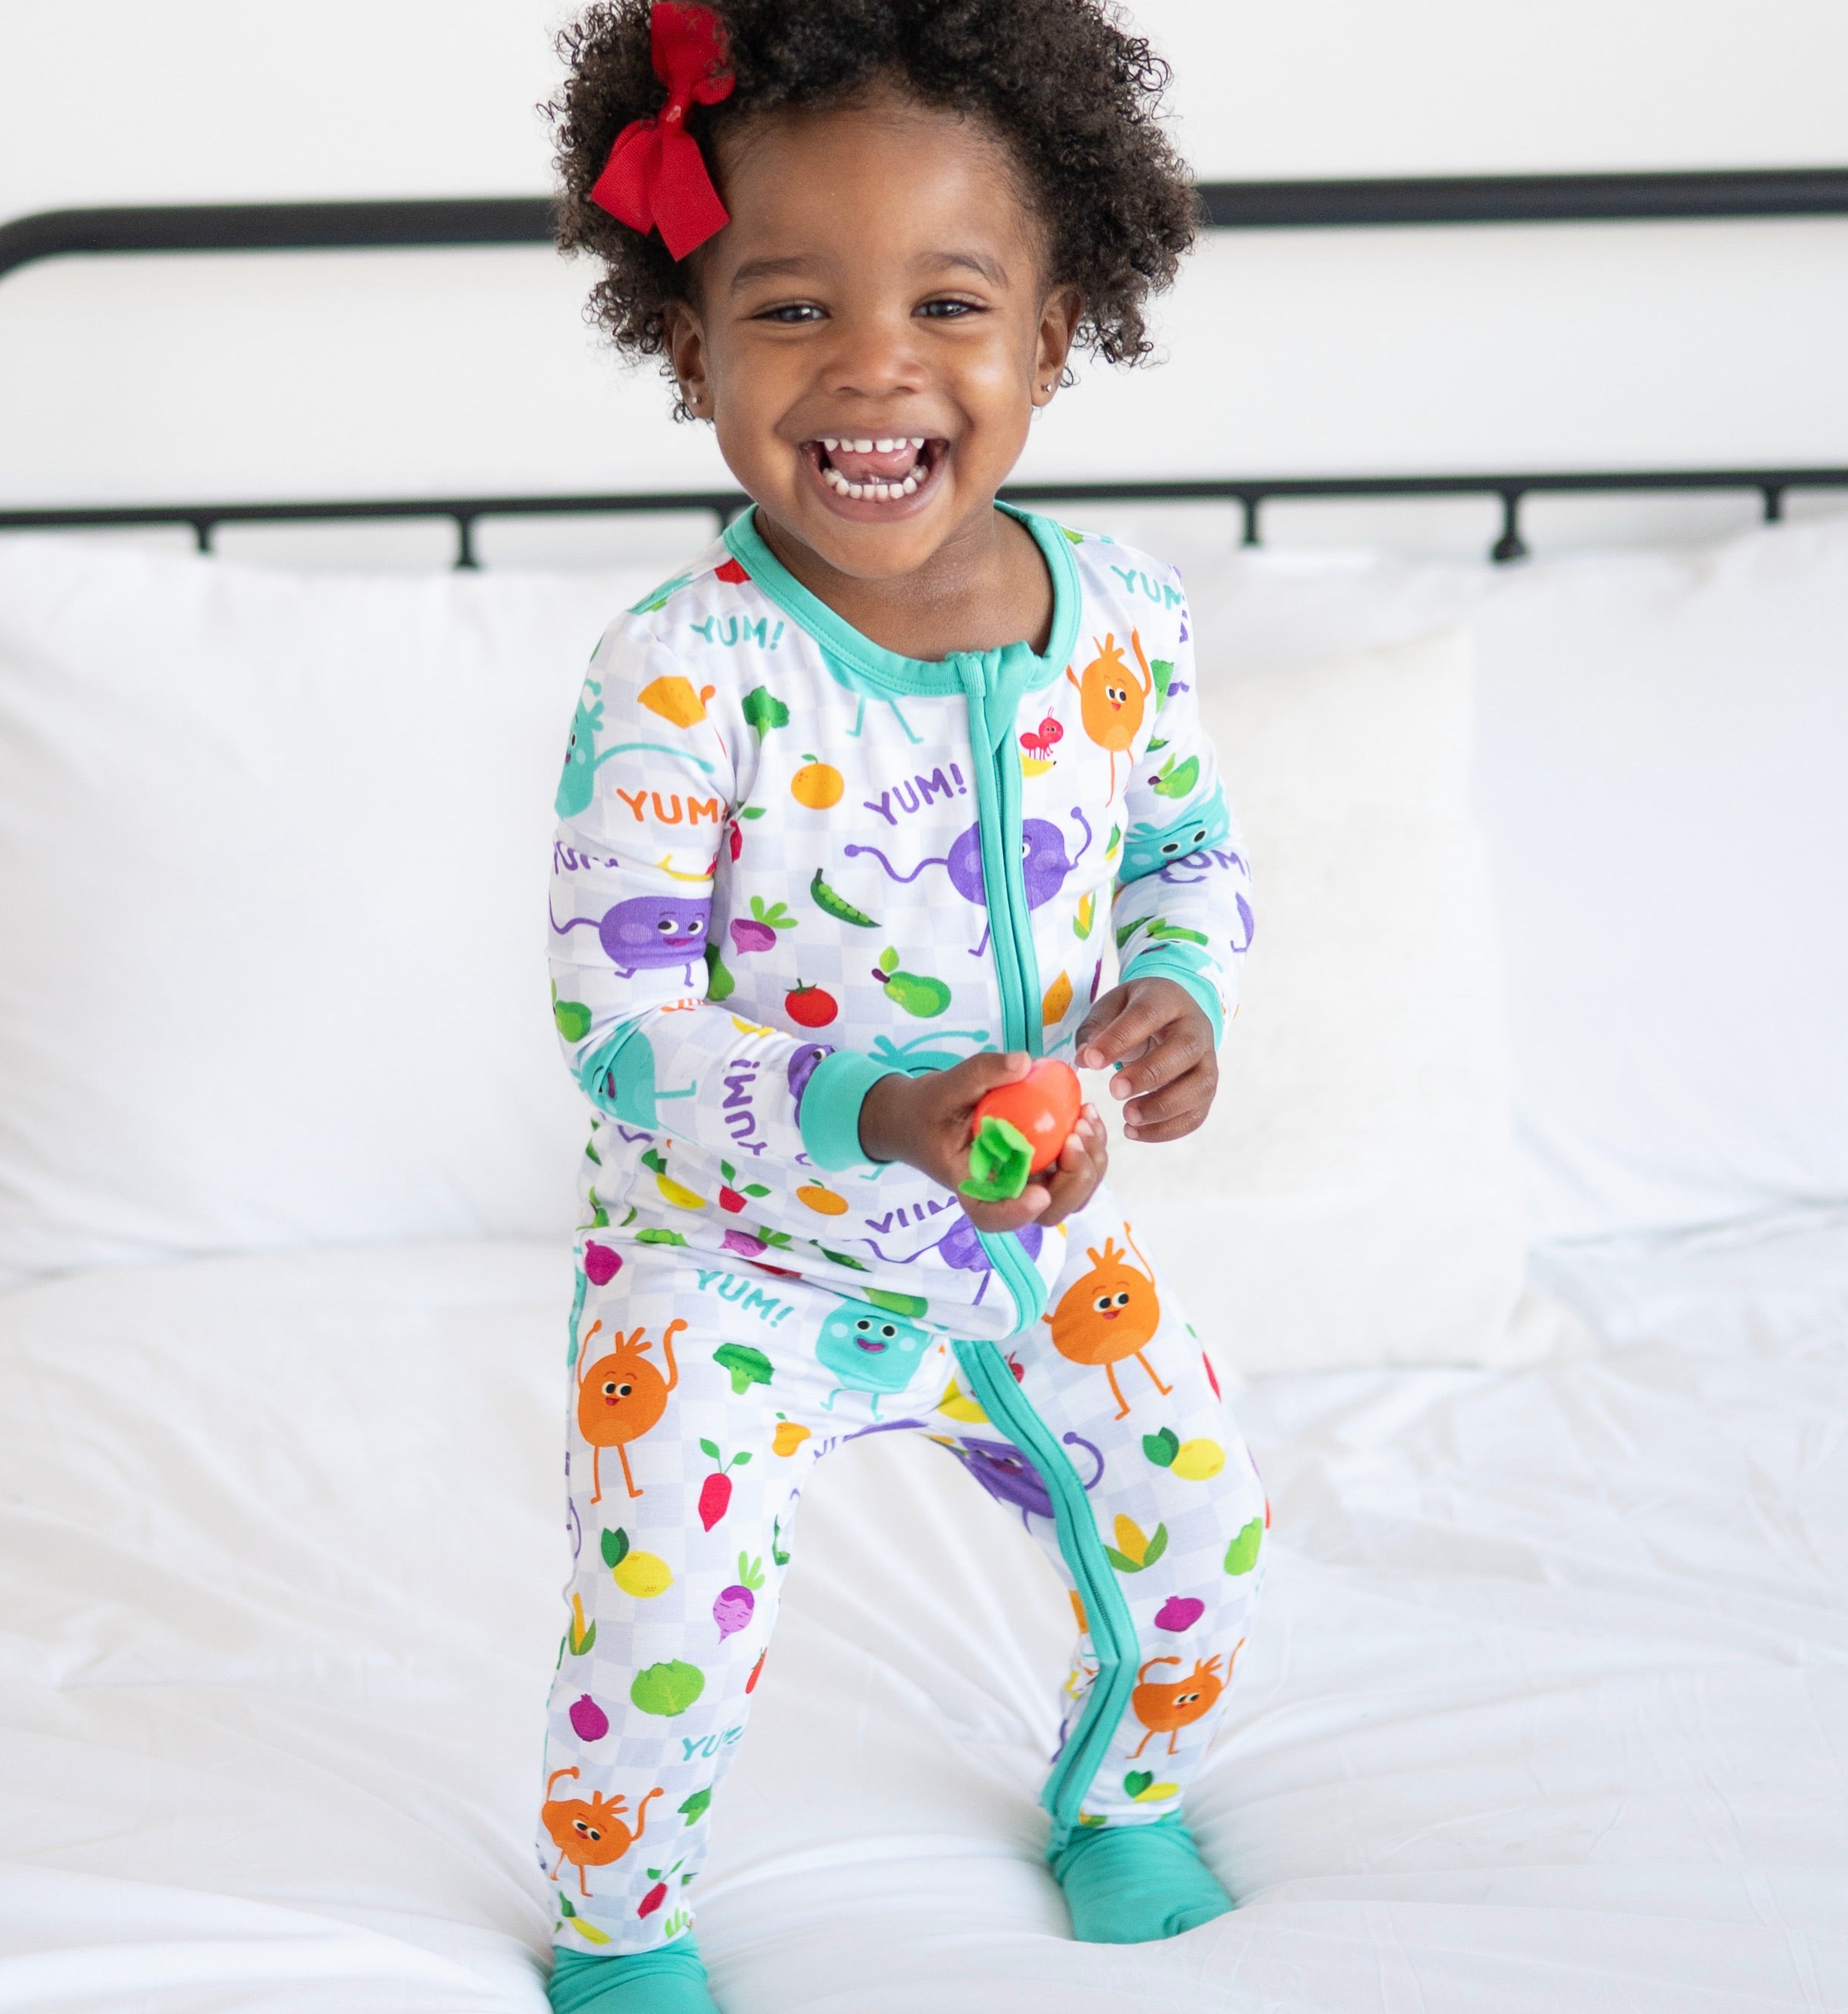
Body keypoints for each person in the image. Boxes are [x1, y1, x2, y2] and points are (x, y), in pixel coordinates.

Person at [539, 5, 1265, 2006]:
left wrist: (1186, 989)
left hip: (1026, 1250)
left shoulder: (1124, 618)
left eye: (951, 300)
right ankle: (622, 1933)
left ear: (1055, 332)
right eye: (787, 308)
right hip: (727, 1267)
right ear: (685, 345)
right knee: (661, 1615)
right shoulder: (678, 675)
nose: (873, 364)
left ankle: (1122, 1797)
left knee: (1200, 1520)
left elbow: (1191, 848)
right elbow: (621, 1037)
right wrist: (886, 1107)